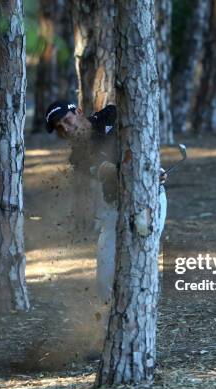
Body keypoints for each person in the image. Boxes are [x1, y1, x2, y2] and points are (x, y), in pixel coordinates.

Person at [44, 100, 167, 302]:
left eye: (67, 120)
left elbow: (144, 140)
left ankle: (141, 310)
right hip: (115, 208)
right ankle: (108, 318)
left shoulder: (111, 115)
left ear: (79, 112)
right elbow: (104, 170)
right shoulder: (77, 157)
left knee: (142, 257)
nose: (66, 128)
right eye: (60, 127)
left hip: (150, 200)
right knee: (105, 277)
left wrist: (154, 170)